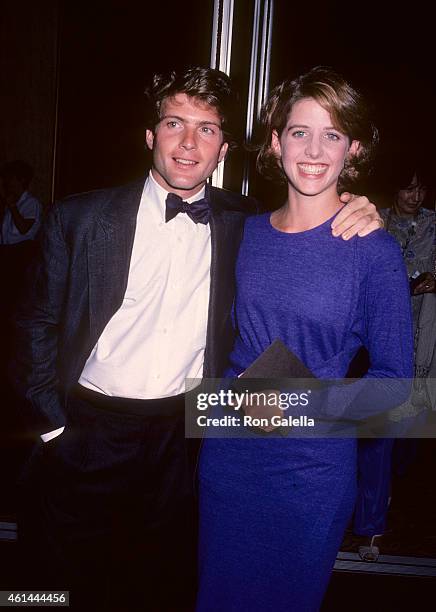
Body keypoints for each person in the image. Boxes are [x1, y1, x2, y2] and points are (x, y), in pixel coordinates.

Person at [12, 66, 382, 611]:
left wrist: (358, 203)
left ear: (224, 149)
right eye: (174, 124)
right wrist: (53, 428)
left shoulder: (247, 222)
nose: (188, 143)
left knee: (162, 584)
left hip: (183, 437)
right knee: (52, 586)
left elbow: (309, 216)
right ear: (150, 135)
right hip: (85, 428)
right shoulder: (79, 217)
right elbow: (34, 326)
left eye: (206, 129)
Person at [196, 67, 414, 612]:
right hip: (228, 459)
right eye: (299, 132)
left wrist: (291, 408)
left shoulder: (374, 251)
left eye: (333, 134)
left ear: (353, 148)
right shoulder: (241, 232)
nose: (314, 149)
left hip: (309, 475)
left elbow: (401, 392)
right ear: (275, 142)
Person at [354, 165, 436, 561]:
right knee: (378, 433)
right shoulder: (372, 221)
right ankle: (371, 525)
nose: (416, 195)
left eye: (422, 188)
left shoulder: (434, 226)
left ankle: (391, 509)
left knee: (408, 438)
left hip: (425, 342)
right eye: (409, 186)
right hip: (374, 345)